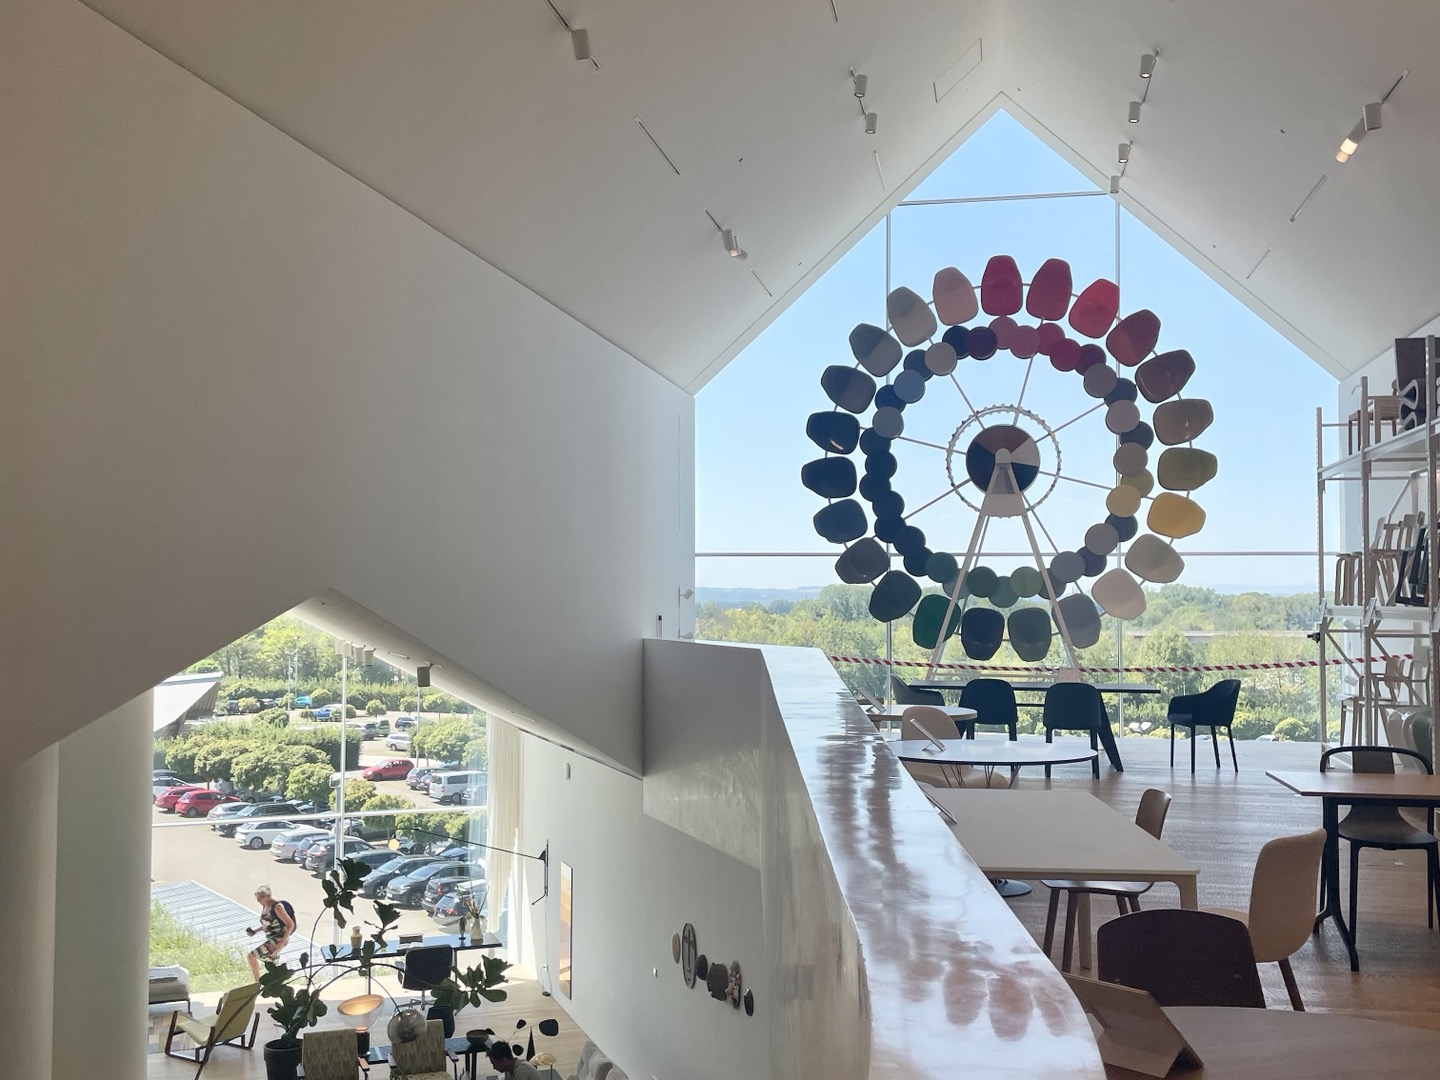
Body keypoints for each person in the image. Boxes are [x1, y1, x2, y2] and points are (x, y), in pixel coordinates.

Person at [244, 884, 294, 980]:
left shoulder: (277, 907)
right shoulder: (265, 906)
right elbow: (268, 924)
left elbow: (290, 924)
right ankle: (276, 982)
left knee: (251, 956)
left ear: (267, 896)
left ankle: (257, 983)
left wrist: (281, 943)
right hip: (272, 938)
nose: (258, 901)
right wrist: (255, 931)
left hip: (279, 938)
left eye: (260, 898)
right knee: (273, 966)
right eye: (257, 899)